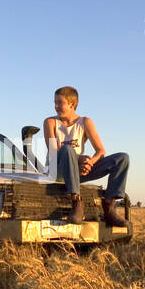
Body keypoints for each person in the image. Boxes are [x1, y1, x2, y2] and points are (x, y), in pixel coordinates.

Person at [41, 86, 129, 227]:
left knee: (122, 158)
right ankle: (76, 201)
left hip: (78, 171)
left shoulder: (85, 122)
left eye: (59, 103)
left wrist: (90, 163)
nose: (56, 106)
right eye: (55, 102)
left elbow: (100, 151)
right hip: (57, 170)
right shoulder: (50, 122)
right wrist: (79, 159)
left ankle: (109, 206)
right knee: (66, 149)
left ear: (72, 104)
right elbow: (53, 151)